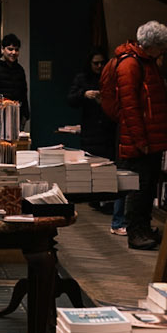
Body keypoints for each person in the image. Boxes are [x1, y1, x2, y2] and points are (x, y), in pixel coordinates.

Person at [100, 21, 167, 250]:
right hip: (137, 140)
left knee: (148, 186)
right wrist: (140, 140)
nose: (162, 53)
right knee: (138, 188)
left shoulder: (145, 62)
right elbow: (130, 108)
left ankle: (143, 228)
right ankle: (136, 233)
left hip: (148, 138)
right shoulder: (131, 65)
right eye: (161, 48)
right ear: (152, 46)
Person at [64, 49, 116, 217]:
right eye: (96, 63)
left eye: (102, 63)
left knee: (108, 164)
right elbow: (70, 99)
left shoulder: (109, 77)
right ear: (90, 64)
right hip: (90, 127)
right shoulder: (82, 78)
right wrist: (84, 94)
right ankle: (94, 199)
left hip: (108, 126)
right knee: (91, 163)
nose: (99, 66)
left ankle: (106, 199)